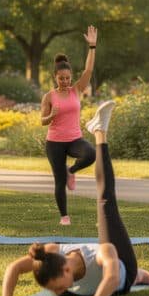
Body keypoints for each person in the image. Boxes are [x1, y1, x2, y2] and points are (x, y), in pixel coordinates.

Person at [0, 101, 149, 296]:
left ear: (66, 269)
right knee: (147, 278)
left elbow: (113, 279)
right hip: (94, 283)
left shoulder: (102, 253)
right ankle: (143, 276)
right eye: (53, 290)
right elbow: (14, 268)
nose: (57, 293)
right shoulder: (51, 256)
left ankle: (99, 131)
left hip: (123, 273)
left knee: (106, 203)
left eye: (57, 288)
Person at [40, 25, 99, 226]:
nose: (65, 81)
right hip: (54, 142)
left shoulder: (76, 90)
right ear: (55, 78)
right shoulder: (49, 96)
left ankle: (71, 171)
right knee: (58, 182)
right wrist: (51, 115)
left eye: (67, 78)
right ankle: (64, 216)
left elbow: (89, 69)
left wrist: (92, 47)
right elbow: (42, 121)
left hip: (74, 139)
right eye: (61, 78)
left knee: (91, 153)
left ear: (71, 77)